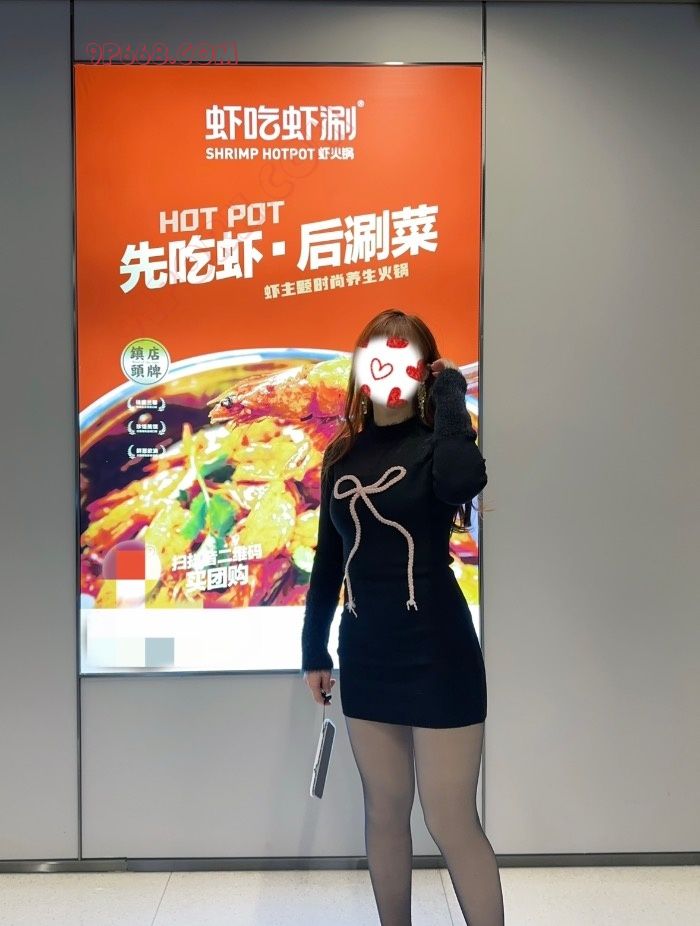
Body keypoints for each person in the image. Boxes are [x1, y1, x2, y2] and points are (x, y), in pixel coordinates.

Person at [300, 309, 505, 926]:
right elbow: (328, 559)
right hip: (366, 652)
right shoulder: (341, 455)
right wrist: (314, 649)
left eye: (403, 358)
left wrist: (451, 395)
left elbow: (466, 480)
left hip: (440, 652)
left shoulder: (439, 445)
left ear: (423, 370)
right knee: (384, 813)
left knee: (450, 818)